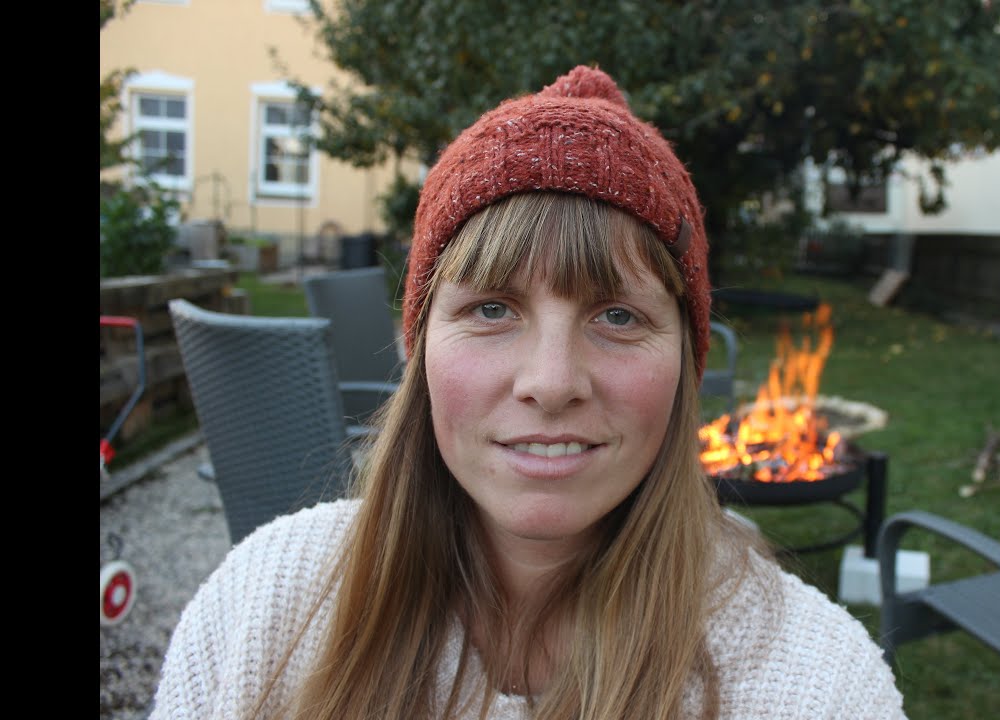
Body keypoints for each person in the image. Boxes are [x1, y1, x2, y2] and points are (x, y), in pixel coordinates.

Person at [150, 65, 907, 720]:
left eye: (617, 315)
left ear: (686, 361)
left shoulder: (816, 683)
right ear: (417, 348)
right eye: (491, 309)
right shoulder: (260, 613)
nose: (550, 383)